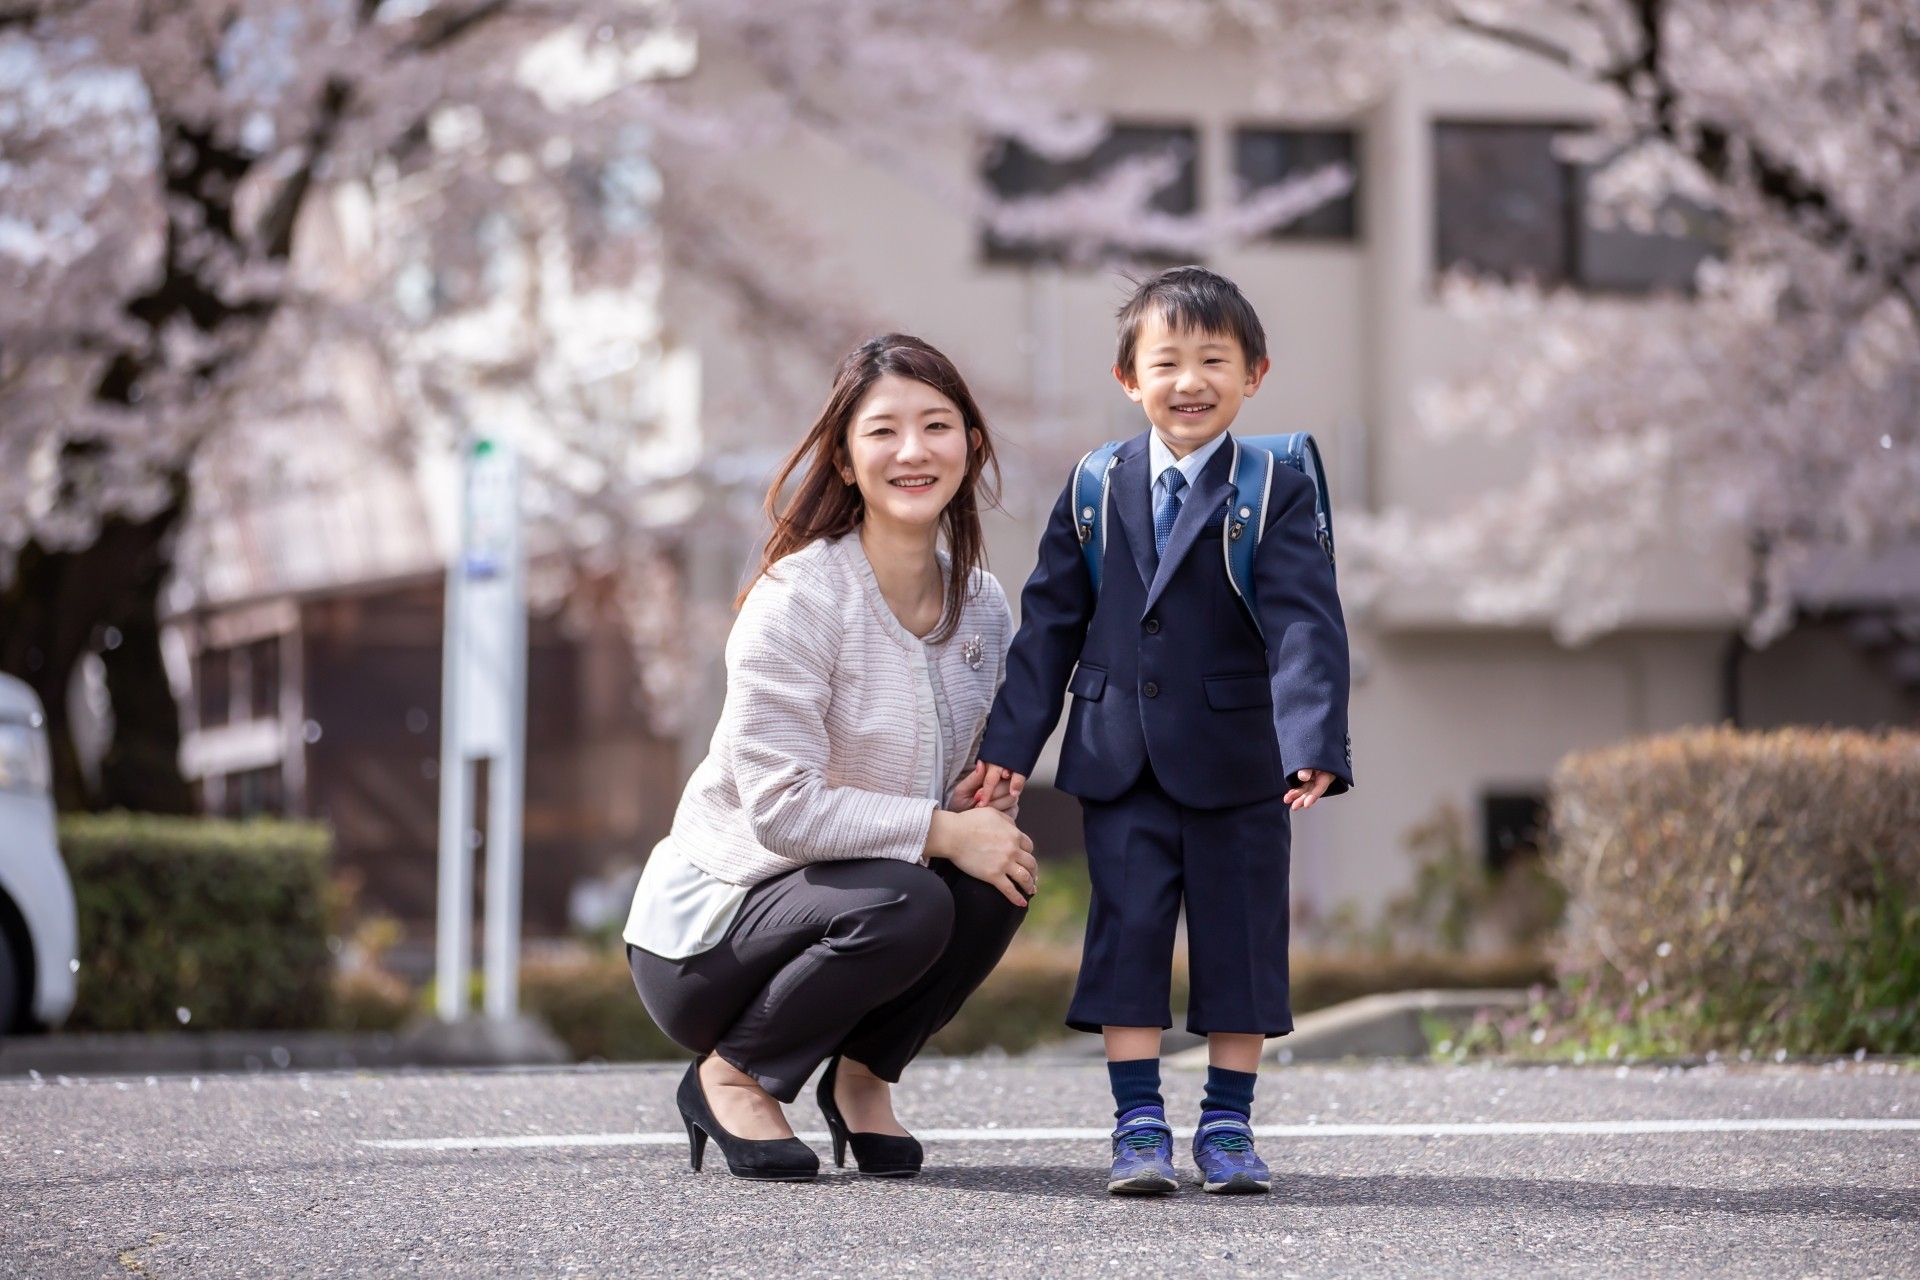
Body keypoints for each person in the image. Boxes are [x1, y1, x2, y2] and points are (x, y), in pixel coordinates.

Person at [976, 266, 1352, 1196]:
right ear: (1128, 379)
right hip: (1118, 760)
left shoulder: (1276, 486)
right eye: (1167, 361)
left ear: (1255, 374)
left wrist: (1316, 741)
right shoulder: (1097, 483)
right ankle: (1137, 1125)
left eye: (1214, 360)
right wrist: (1009, 751)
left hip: (1240, 763)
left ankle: (1228, 1127)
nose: (1190, 381)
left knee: (1242, 942)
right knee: (1127, 937)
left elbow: (1309, 620)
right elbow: (1050, 624)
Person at [624, 334, 1035, 1182]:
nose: (913, 451)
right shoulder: (798, 598)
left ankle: (863, 1079)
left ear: (971, 447)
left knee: (997, 877)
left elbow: (954, 800)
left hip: (858, 897)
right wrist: (942, 832)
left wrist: (981, 808)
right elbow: (781, 808)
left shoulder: (983, 609)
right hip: (711, 933)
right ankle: (730, 1073)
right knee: (915, 892)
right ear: (846, 461)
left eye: (937, 426)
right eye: (883, 431)